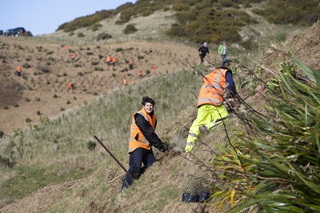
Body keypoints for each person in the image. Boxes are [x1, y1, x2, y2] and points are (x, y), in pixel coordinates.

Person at [185, 64, 237, 153]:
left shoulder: (210, 76)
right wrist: (233, 97)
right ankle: (207, 127)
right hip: (215, 101)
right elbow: (231, 85)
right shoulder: (226, 72)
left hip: (202, 102)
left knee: (198, 123)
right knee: (226, 118)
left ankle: (188, 149)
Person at [122, 96, 168, 190]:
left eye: (151, 105)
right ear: (143, 106)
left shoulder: (153, 117)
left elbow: (151, 133)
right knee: (135, 168)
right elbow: (149, 133)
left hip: (147, 147)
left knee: (151, 165)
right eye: (147, 105)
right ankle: (125, 188)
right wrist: (160, 146)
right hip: (137, 146)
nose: (149, 107)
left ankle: (133, 177)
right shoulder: (140, 116)